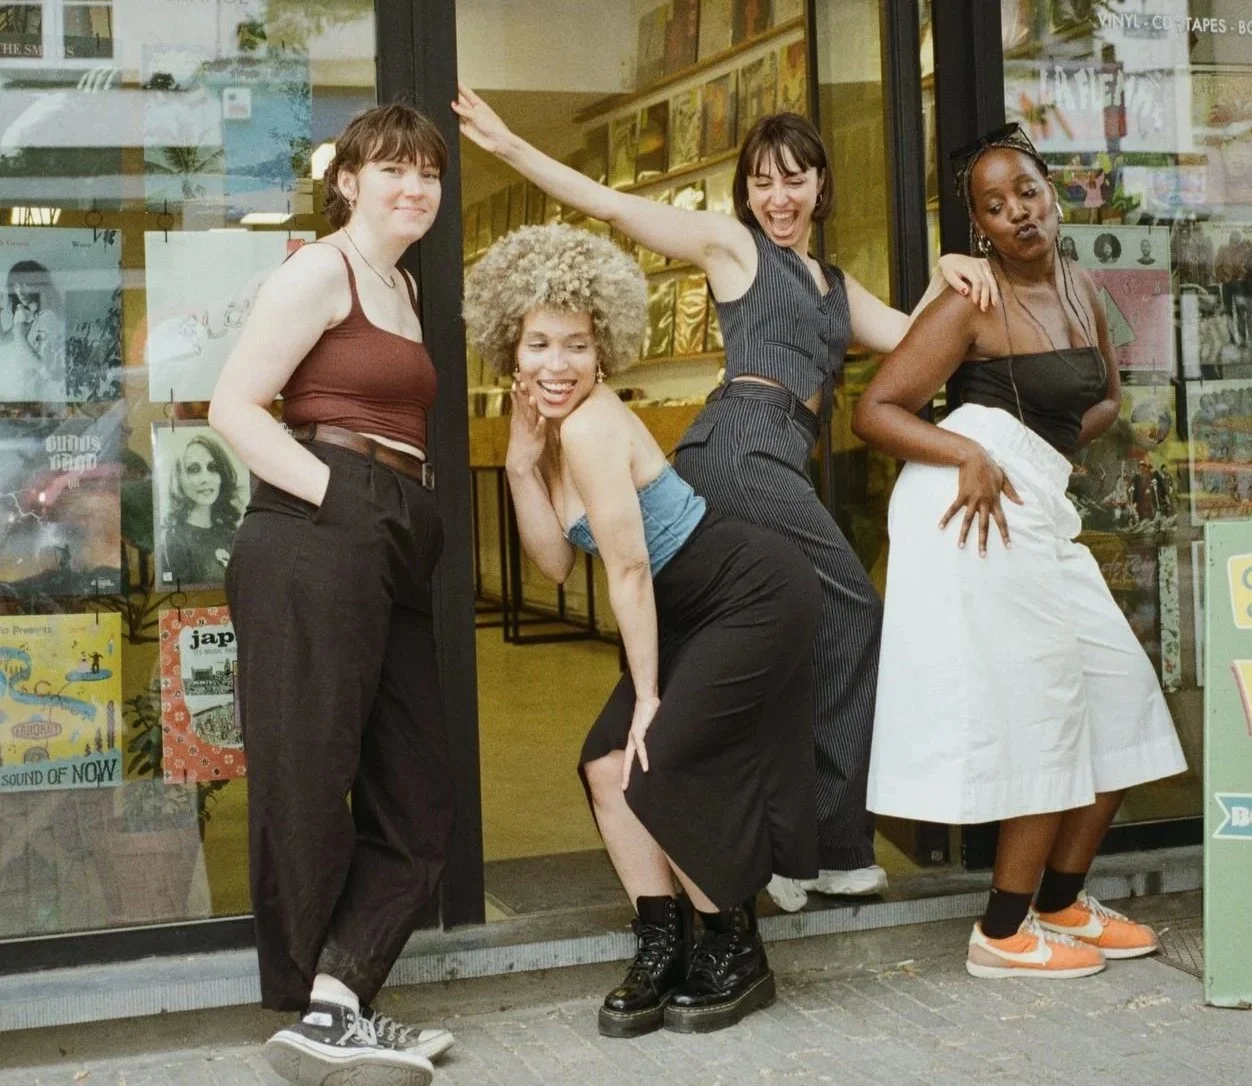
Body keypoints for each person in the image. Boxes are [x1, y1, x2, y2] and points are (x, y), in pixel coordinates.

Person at [453, 86, 997, 912]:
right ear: (744, 193)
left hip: (772, 457)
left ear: (821, 187)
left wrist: (957, 271)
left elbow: (920, 338)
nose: (778, 198)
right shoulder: (733, 249)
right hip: (740, 447)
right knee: (850, 608)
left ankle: (777, 847)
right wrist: (508, 147)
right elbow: (609, 203)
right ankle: (823, 847)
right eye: (762, 183)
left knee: (773, 640)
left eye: (795, 180)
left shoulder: (836, 289)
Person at [463, 223, 822, 1034]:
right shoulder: (550, 436)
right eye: (539, 346)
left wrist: (651, 696)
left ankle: (734, 947)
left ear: (604, 351)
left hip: (747, 593)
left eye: (577, 346)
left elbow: (626, 571)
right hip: (685, 609)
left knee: (658, 763)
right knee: (602, 764)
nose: (557, 365)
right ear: (510, 353)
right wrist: (521, 465)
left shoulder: (592, 423)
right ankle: (662, 942)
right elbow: (555, 563)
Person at [852, 123, 1187, 980]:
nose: (1018, 214)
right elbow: (877, 409)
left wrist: (1049, 452)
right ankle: (1001, 933)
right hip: (978, 515)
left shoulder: (1080, 286)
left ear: (1053, 193)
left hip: (1037, 502)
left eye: (1027, 193)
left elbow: (1101, 399)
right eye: (995, 208)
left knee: (1122, 697)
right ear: (981, 229)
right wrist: (971, 450)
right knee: (1044, 713)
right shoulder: (973, 300)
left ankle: (1061, 900)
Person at [209, 103, 456, 1086]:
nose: (414, 186)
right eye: (391, 168)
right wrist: (343, 497)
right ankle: (319, 1001)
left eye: (428, 172)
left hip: (385, 537)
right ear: (347, 180)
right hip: (316, 531)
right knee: (310, 782)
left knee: (419, 788)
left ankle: (336, 1001)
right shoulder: (322, 270)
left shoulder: (401, 284)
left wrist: (380, 514)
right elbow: (234, 405)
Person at [157, 431, 243, 587]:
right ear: (179, 479)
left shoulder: (232, 534)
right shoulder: (172, 539)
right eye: (194, 469)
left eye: (213, 468)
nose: (206, 478)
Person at [0, 260, 66, 402]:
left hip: (36, 397)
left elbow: (47, 371)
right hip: (19, 391)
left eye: (25, 284)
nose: (20, 291)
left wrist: (20, 337)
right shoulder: (26, 316)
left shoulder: (48, 318)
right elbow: (2, 339)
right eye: (16, 285)